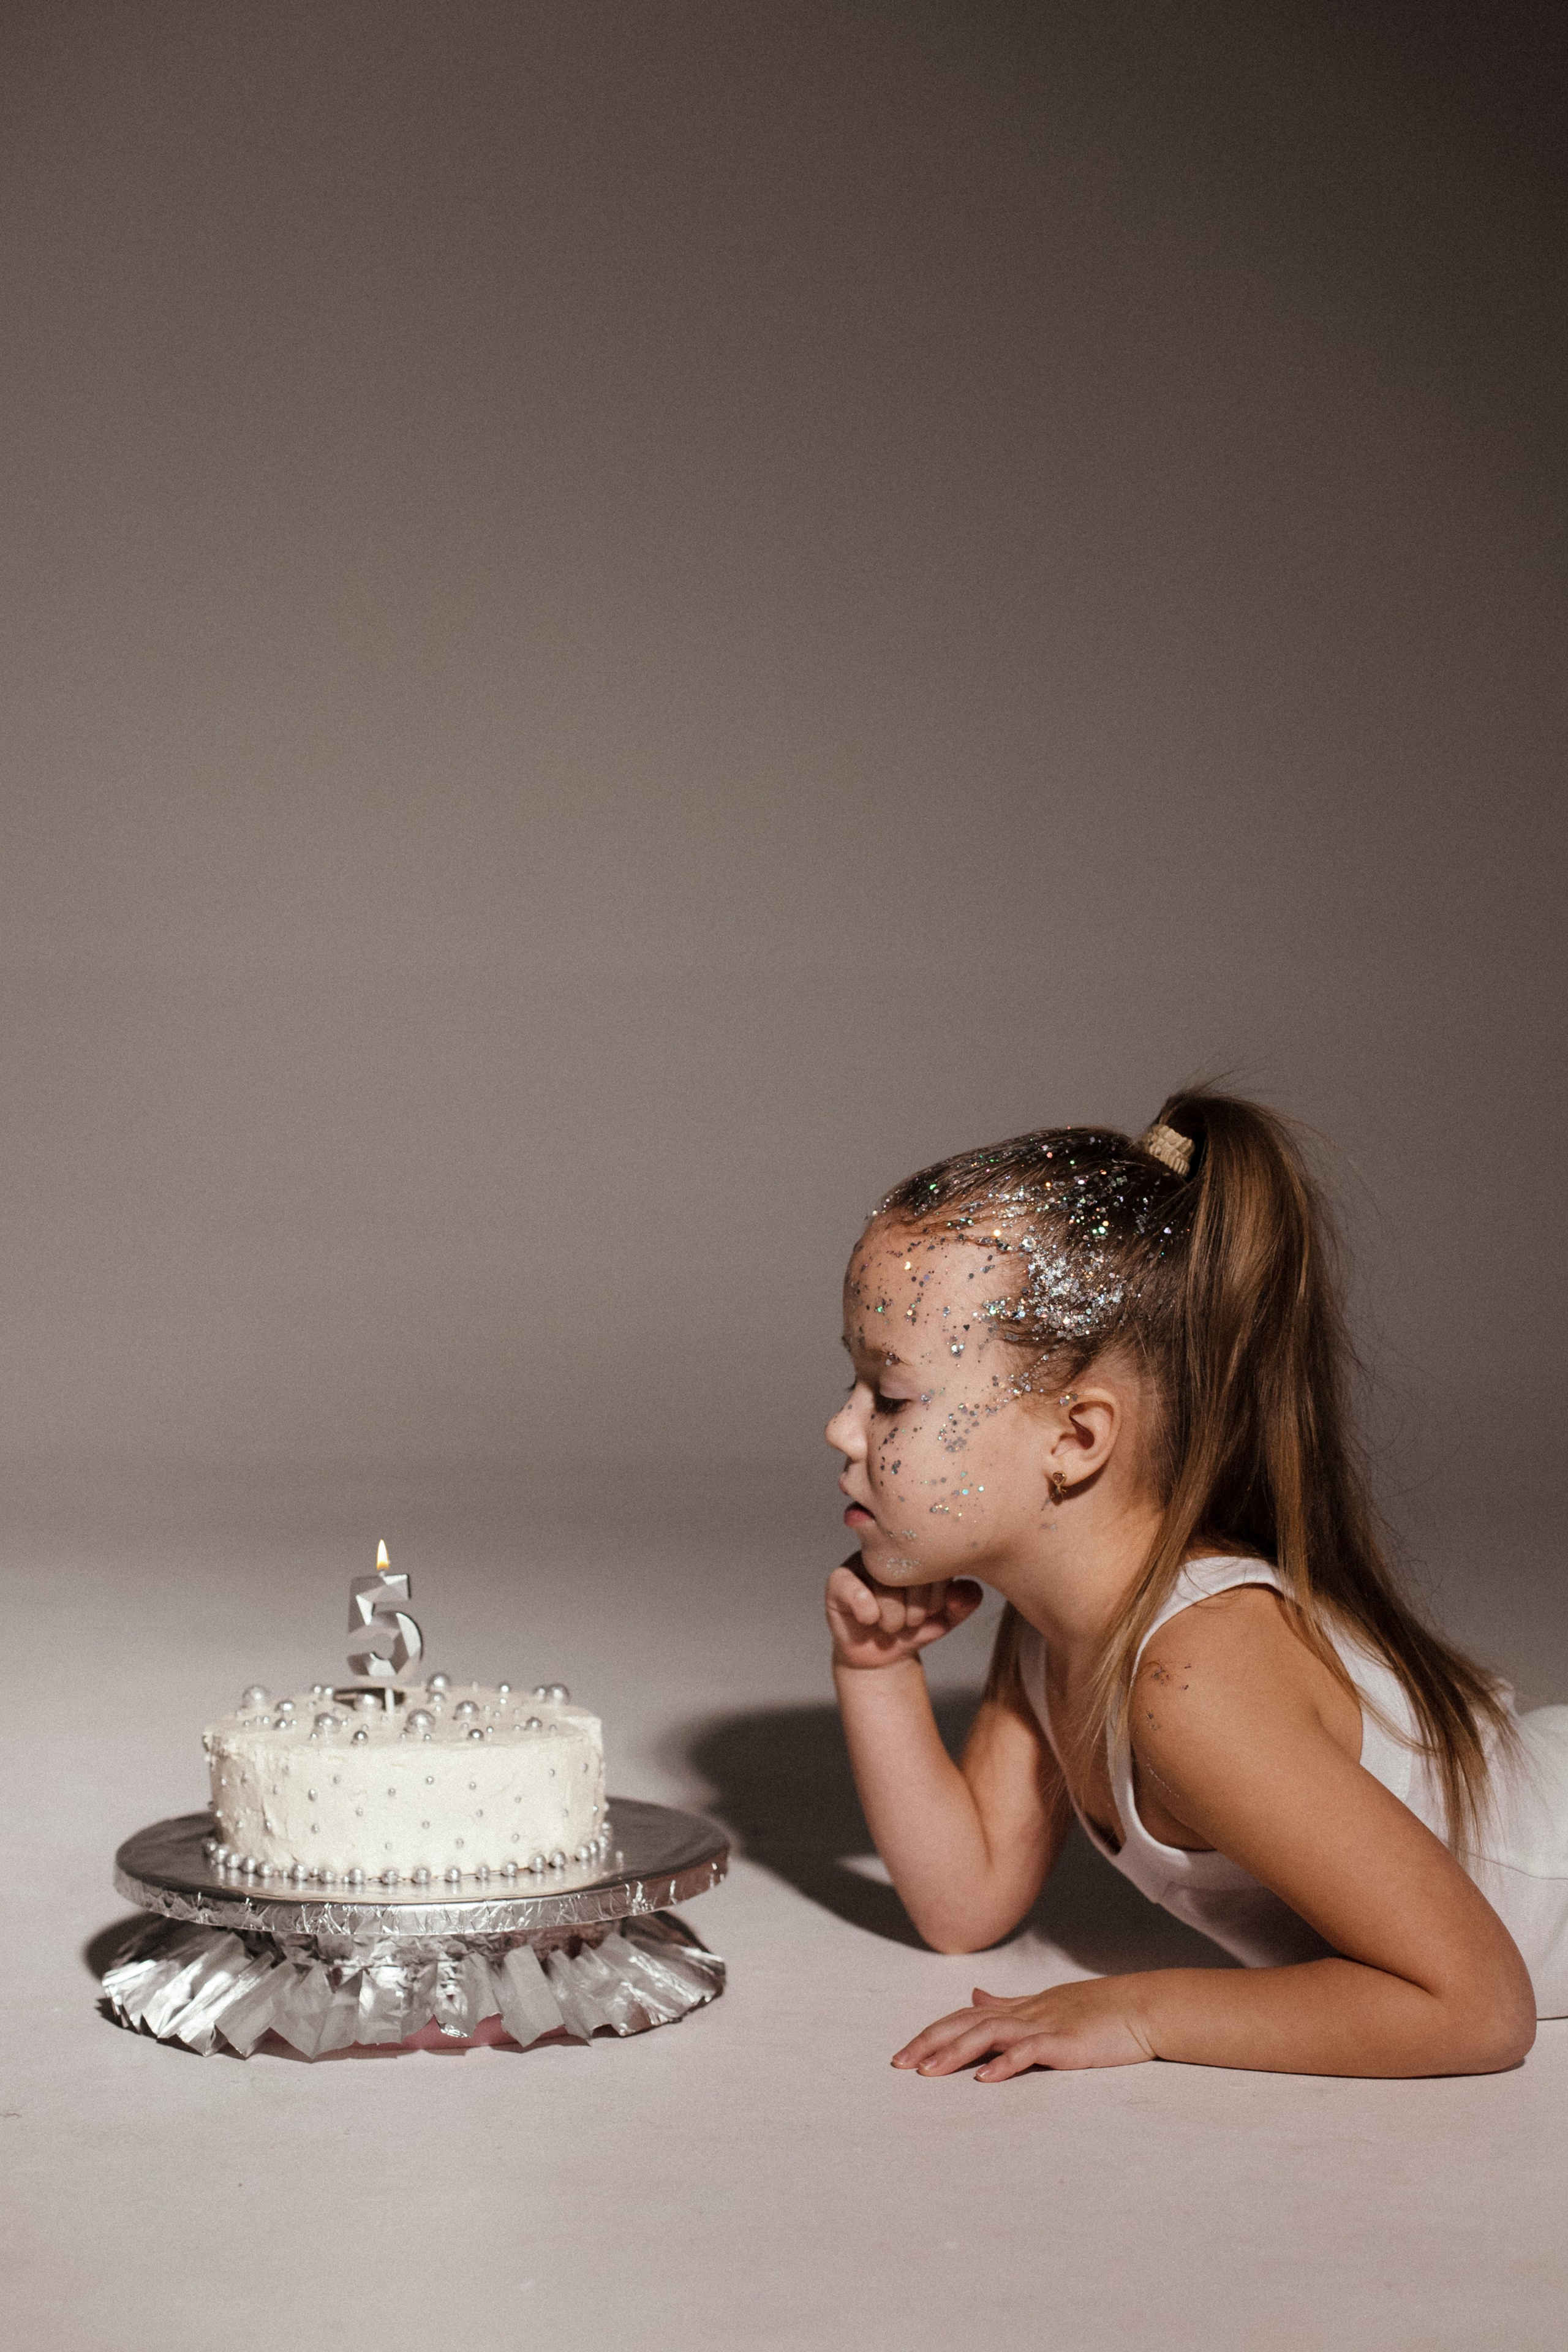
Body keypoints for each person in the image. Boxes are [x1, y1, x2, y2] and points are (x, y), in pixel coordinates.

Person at [825, 1090, 1568, 2081]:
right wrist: (875, 1672)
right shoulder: (1056, 1628)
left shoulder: (1190, 1679)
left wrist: (1139, 2012)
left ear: (1077, 1440)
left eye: (892, 1395)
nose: (841, 1430)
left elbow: (1475, 2008)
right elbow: (968, 1904)